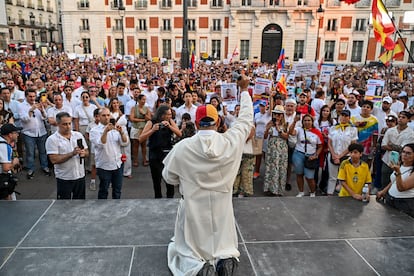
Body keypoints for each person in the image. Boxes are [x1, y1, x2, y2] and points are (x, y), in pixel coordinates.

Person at [162, 75, 253, 275]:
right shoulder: (231, 141)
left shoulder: (182, 147)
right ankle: (225, 258)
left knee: (188, 248)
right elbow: (246, 119)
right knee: (222, 242)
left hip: (193, 205)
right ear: (218, 120)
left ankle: (198, 267)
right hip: (222, 205)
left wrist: (187, 178)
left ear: (195, 122)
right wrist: (244, 91)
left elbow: (169, 177)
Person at [140, 105, 181, 198]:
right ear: (162, 115)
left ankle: (170, 199)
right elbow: (141, 138)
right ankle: (158, 198)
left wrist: (170, 126)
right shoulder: (151, 122)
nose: (170, 116)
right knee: (156, 180)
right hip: (155, 153)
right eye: (168, 114)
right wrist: (153, 130)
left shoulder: (170, 121)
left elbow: (179, 133)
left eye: (171, 114)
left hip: (167, 153)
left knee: (169, 179)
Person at [45, 112, 89, 200]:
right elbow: (54, 159)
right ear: (58, 124)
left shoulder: (78, 135)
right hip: (64, 178)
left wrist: (84, 153)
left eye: (69, 123)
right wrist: (71, 154)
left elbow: (87, 151)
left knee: (80, 204)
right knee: (64, 205)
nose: (68, 126)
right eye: (65, 124)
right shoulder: (52, 140)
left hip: (80, 176)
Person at [89, 108, 129, 199]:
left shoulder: (115, 128)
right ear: (98, 117)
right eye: (103, 115)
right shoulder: (94, 130)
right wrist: (106, 131)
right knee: (104, 190)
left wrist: (122, 132)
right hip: (104, 166)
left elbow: (125, 142)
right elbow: (101, 143)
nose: (106, 117)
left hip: (117, 164)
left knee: (117, 190)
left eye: (108, 115)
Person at [289, 114, 323, 197]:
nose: (307, 122)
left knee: (309, 177)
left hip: (310, 156)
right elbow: (290, 132)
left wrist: (316, 155)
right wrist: (294, 121)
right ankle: (301, 192)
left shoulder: (317, 132)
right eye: (305, 120)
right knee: (299, 174)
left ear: (312, 122)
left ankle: (312, 192)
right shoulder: (299, 130)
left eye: (309, 120)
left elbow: (320, 146)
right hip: (298, 154)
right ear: (302, 122)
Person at [18, 89, 50, 179]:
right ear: (26, 96)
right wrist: (31, 111)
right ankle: (30, 168)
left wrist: (42, 111)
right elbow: (24, 119)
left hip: (41, 132)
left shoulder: (38, 104)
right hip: (28, 133)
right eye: (30, 96)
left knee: (43, 151)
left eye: (34, 96)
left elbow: (45, 117)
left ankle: (45, 167)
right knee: (30, 153)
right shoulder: (21, 106)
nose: (32, 98)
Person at [376, 143, 414, 217]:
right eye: (403, 152)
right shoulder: (401, 165)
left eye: (408, 153)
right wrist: (383, 191)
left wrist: (397, 172)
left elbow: (401, 188)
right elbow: (394, 181)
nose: (404, 155)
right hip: (390, 199)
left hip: (404, 203)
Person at [263, 105, 289, 196]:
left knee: (281, 167)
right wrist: (267, 128)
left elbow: (286, 137)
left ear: (282, 115)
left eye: (279, 114)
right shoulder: (270, 123)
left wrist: (279, 129)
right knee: (271, 167)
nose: (277, 116)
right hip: (272, 147)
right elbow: (265, 137)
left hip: (281, 147)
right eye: (275, 114)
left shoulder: (285, 124)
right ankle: (270, 189)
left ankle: (279, 189)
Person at [0, 124, 21, 200]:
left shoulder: (3, 143)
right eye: (16, 133)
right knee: (7, 204)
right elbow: (6, 168)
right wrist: (14, 162)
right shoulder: (4, 146)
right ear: (10, 135)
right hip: (2, 179)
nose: (18, 135)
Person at [129, 94, 151, 167]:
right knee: (135, 145)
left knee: (143, 145)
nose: (144, 101)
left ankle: (144, 159)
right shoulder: (133, 108)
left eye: (145, 99)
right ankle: (135, 160)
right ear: (138, 100)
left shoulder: (146, 108)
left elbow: (149, 118)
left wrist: (143, 114)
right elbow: (132, 119)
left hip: (144, 128)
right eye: (142, 99)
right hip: (135, 128)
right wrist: (143, 119)